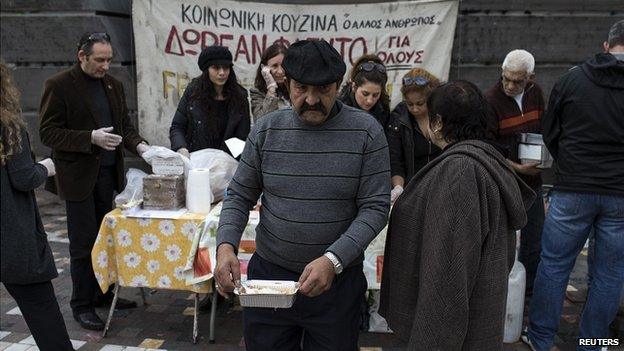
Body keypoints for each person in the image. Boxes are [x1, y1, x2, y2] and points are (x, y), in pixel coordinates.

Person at [214, 39, 390, 351]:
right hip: (269, 281)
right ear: (288, 83)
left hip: (336, 284)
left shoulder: (367, 132)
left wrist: (333, 260)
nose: (311, 99)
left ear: (339, 85)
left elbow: (375, 208)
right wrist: (225, 247)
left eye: (323, 89)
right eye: (301, 88)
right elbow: (240, 194)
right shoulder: (267, 130)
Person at [379, 80, 535, 350]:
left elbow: (447, 276)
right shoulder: (483, 161)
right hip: (476, 324)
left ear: (438, 122)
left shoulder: (460, 171)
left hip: (457, 336)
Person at [524, 20, 624, 351]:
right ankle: (592, 343)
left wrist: (569, 164)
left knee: (554, 266)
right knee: (610, 274)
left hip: (573, 188)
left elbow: (550, 130)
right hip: (620, 195)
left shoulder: (573, 78)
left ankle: (540, 340)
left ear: (607, 45)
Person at [39, 32, 149, 330]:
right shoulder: (59, 85)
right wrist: (90, 138)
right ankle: (82, 305)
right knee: (83, 245)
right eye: (99, 60)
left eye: (109, 59)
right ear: (82, 56)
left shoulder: (113, 84)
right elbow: (48, 133)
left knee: (107, 240)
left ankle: (104, 294)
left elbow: (125, 125)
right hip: (77, 179)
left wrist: (142, 147)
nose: (105, 65)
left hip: (108, 177)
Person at [1, 59, 74, 350]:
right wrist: (46, 167)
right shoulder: (9, 126)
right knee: (43, 311)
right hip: (12, 237)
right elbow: (23, 178)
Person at [485, 49, 545, 295]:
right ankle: (496, 290)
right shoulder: (490, 100)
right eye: (506, 78)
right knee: (501, 239)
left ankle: (527, 292)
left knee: (534, 238)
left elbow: (544, 129)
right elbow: (487, 147)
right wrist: (517, 167)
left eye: (517, 81)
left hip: (534, 178)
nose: (510, 85)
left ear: (530, 77)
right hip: (504, 179)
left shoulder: (536, 94)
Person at [170, 46, 250, 158]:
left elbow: (242, 137)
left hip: (227, 164)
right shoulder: (193, 92)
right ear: (206, 69)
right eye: (216, 68)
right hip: (196, 159)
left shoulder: (240, 96)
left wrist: (225, 161)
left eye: (226, 67)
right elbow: (177, 127)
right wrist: (181, 148)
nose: (222, 73)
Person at [386, 68, 442, 203]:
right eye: (409, 104)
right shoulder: (398, 118)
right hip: (412, 186)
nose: (415, 109)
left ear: (431, 98)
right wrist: (398, 187)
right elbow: (395, 159)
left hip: (441, 182)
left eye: (420, 103)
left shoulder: (443, 113)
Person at [338, 54, 390, 127]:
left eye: (375, 95)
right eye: (365, 94)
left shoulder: (383, 107)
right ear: (354, 87)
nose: (370, 101)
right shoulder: (339, 109)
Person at [249, 42, 290, 121]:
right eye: (275, 66)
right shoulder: (257, 92)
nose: (280, 71)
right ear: (264, 68)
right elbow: (260, 121)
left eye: (284, 65)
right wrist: (271, 88)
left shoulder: (296, 87)